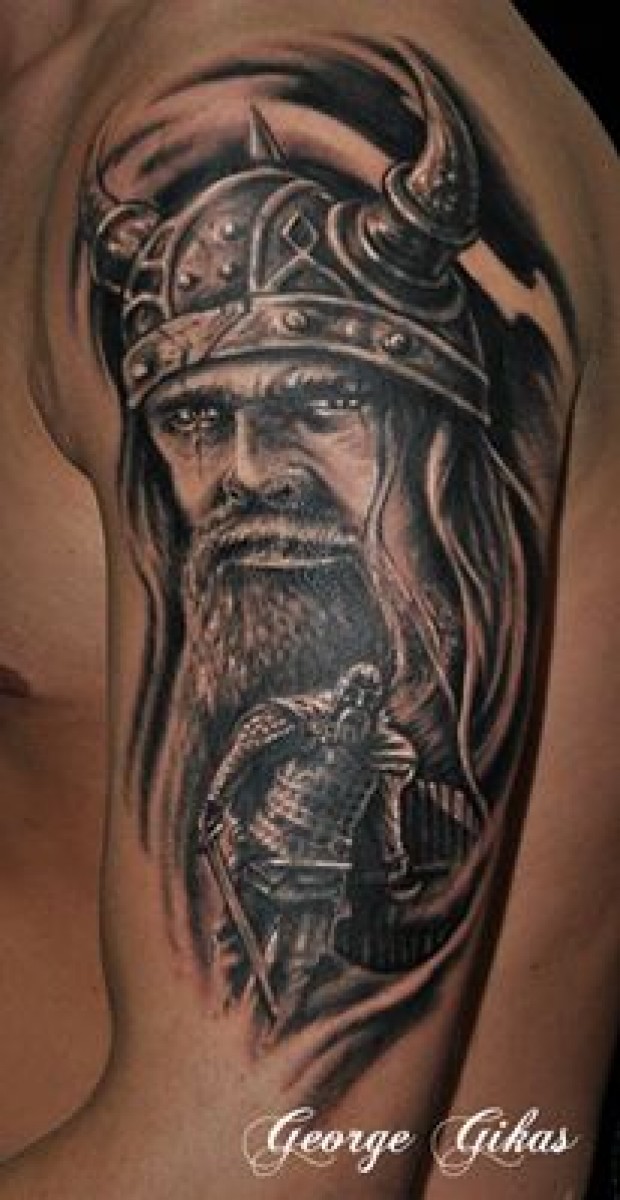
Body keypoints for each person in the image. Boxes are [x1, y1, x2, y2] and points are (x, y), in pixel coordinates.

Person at [0, 3, 617, 1197]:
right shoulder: (71, 89)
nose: (247, 471)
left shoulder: (233, 63)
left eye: (318, 405)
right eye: (196, 416)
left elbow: (257, 1168)